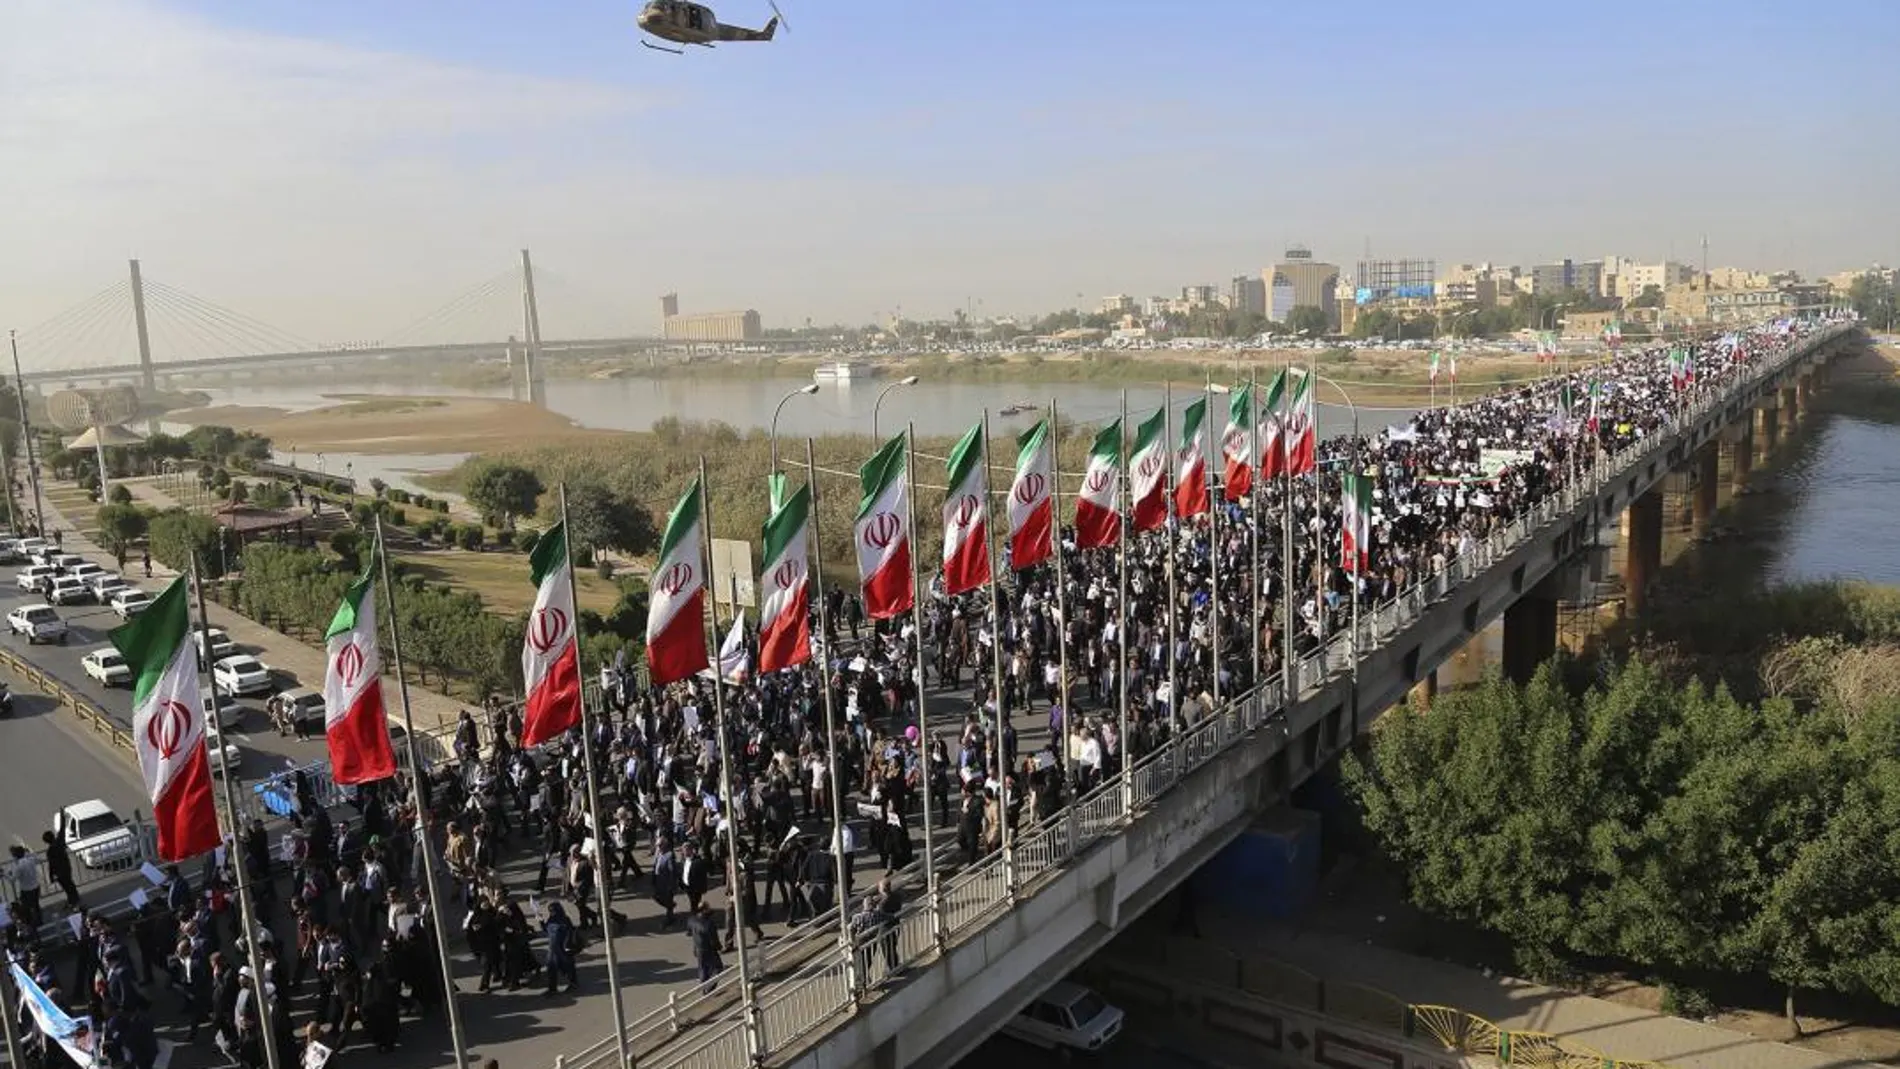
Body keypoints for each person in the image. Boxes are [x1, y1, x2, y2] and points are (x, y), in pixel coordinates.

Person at [684, 900, 723, 992]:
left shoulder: (692, 920)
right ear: (704, 910)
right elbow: (714, 939)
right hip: (709, 950)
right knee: (718, 968)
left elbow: (689, 932)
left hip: (698, 949)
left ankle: (703, 988)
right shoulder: (709, 924)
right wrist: (719, 947)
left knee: (703, 969)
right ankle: (709, 988)